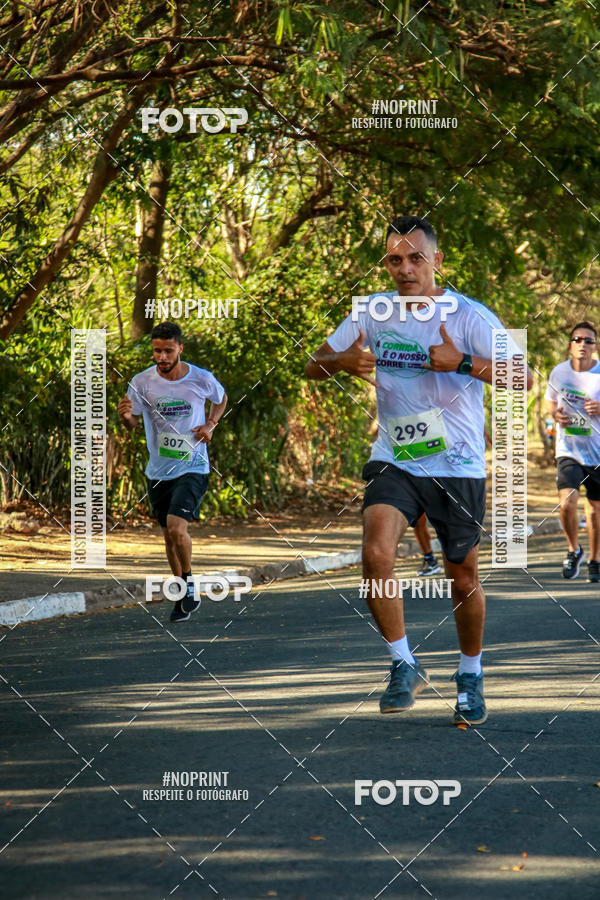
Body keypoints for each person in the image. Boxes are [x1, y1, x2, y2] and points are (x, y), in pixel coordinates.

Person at [305, 215, 532, 725]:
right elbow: (313, 363)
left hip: (458, 463)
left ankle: (470, 673)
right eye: (394, 259)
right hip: (397, 457)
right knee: (376, 552)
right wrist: (340, 363)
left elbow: (526, 378)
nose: (405, 268)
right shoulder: (371, 311)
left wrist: (460, 363)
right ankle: (402, 663)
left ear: (436, 261)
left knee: (463, 575)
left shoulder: (469, 316)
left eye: (415, 258)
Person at [118, 321, 227, 622]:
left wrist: (210, 425)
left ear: (180, 349)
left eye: (168, 351)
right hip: (158, 471)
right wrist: (126, 416)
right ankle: (182, 594)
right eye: (157, 351)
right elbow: (132, 422)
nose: (162, 357)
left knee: (178, 527)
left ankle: (189, 582)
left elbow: (221, 399)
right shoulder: (142, 382)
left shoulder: (200, 378)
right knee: (168, 536)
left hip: (193, 465)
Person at [545, 322, 600, 582]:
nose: (582, 344)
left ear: (595, 346)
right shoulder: (559, 373)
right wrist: (554, 414)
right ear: (570, 344)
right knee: (567, 501)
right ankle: (573, 549)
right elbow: (550, 404)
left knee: (595, 509)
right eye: (577, 339)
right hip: (568, 449)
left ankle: (594, 560)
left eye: (588, 340)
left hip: (598, 453)